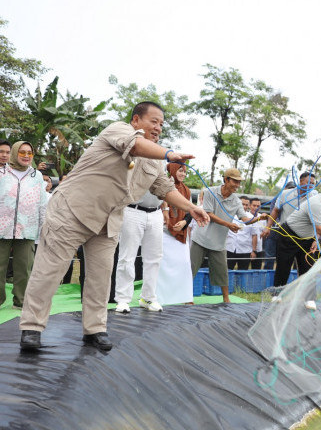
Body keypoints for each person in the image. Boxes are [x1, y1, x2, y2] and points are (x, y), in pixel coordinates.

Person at [18, 101, 210, 351]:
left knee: (100, 277)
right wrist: (168, 154)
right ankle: (32, 327)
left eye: (162, 124)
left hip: (108, 220)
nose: (158, 128)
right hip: (72, 210)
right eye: (154, 121)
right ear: (136, 121)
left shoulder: (154, 161)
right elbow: (135, 145)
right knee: (49, 271)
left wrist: (191, 207)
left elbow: (164, 188)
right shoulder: (117, 130)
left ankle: (94, 329)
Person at [190, 168, 267, 303]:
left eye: (239, 183)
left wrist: (259, 219)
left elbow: (244, 219)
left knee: (222, 271)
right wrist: (228, 225)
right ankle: (186, 297)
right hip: (200, 238)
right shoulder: (209, 192)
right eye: (235, 182)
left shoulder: (236, 201)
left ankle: (226, 298)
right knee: (191, 269)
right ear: (226, 180)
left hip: (219, 242)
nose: (237, 185)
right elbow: (209, 214)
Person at [273, 181, 321, 299]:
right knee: (283, 267)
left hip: (307, 238)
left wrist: (315, 240)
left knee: (308, 268)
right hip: (289, 235)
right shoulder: (317, 203)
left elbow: (319, 226)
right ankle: (277, 296)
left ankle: (308, 299)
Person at [0, 141, 49, 310]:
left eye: (30, 153)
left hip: (28, 228)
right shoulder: (2, 173)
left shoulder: (37, 176)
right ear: (15, 153)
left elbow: (42, 204)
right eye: (22, 152)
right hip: (2, 228)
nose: (26, 156)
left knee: (24, 268)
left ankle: (21, 301)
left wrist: (42, 228)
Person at [113, 190, 165, 313]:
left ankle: (148, 298)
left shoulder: (166, 170)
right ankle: (123, 300)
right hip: (133, 210)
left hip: (157, 212)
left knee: (155, 258)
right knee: (127, 257)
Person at [155, 162, 194, 306]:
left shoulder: (186, 190)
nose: (183, 174)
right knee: (163, 265)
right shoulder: (163, 185)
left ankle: (184, 297)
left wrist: (184, 223)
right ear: (171, 170)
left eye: (184, 172)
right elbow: (158, 204)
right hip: (164, 231)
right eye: (180, 171)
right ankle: (160, 298)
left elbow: (191, 210)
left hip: (181, 233)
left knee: (183, 264)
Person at [261, 171, 316, 270]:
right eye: (309, 182)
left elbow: (317, 221)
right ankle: (279, 286)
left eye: (313, 183)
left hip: (305, 238)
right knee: (283, 268)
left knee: (305, 268)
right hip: (286, 236)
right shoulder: (285, 194)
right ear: (300, 181)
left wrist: (315, 239)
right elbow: (275, 210)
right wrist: (268, 227)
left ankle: (300, 286)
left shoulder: (314, 198)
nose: (311, 185)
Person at [225, 196, 257, 270]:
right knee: (227, 271)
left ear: (248, 206)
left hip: (245, 250)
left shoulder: (252, 218)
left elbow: (254, 235)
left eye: (246, 205)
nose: (244, 206)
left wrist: (253, 251)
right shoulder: (229, 215)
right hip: (229, 248)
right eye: (242, 204)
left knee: (243, 273)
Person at [249, 197, 265, 269]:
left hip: (258, 248)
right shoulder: (245, 217)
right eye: (254, 205)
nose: (256, 208)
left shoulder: (263, 218)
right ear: (250, 206)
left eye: (258, 206)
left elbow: (265, 231)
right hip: (246, 248)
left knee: (257, 269)